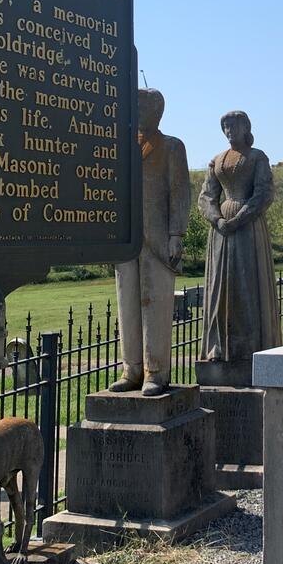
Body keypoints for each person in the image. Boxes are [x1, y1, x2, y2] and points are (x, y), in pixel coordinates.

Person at [108, 88, 190, 396]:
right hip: (125, 237)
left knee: (155, 305)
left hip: (158, 238)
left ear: (157, 111)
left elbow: (180, 191)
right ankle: (131, 369)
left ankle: (156, 371)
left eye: (142, 107)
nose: (137, 112)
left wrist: (176, 234)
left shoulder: (171, 146)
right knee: (127, 304)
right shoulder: (121, 145)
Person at [197, 110, 278, 386]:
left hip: (248, 228)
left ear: (246, 128)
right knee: (220, 286)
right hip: (221, 231)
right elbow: (206, 196)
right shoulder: (217, 160)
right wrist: (217, 219)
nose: (230, 130)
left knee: (246, 284)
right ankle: (218, 347)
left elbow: (264, 193)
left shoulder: (257, 157)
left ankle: (249, 345)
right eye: (226, 127)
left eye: (234, 125)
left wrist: (240, 217)